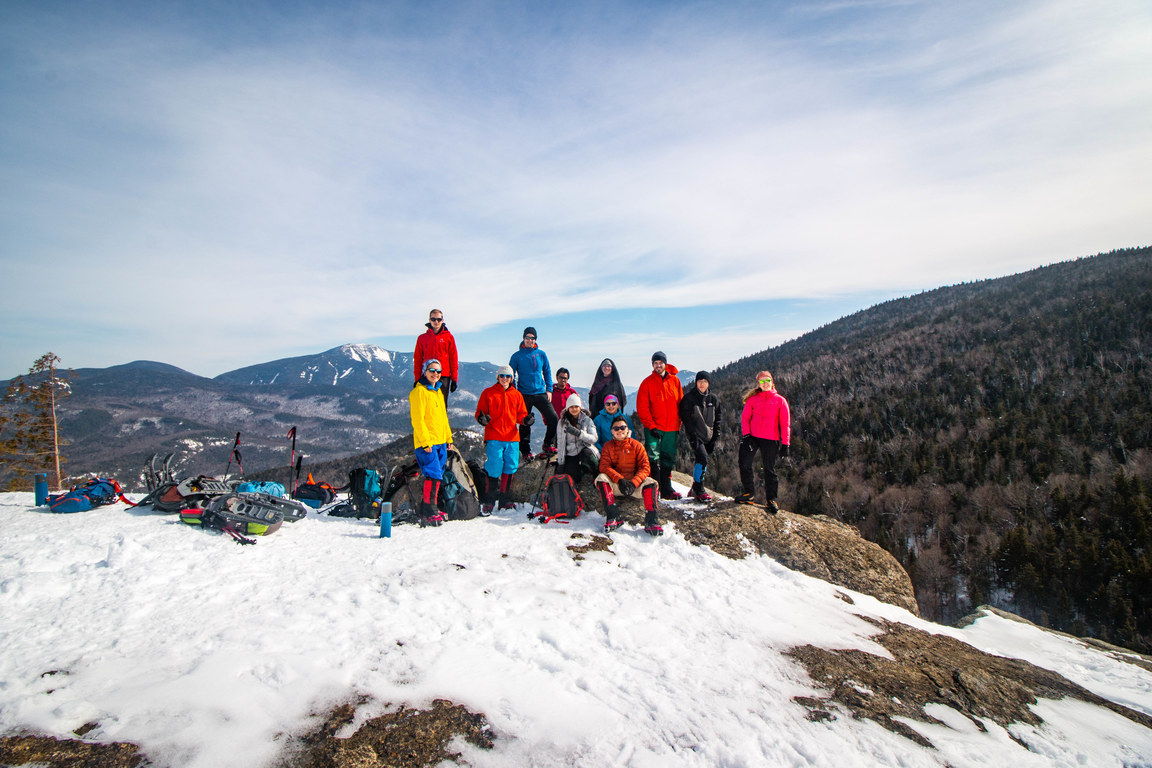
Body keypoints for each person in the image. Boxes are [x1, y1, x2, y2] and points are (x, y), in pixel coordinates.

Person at [475, 365, 531, 513]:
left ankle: (504, 500)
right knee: (494, 466)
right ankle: (490, 500)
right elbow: (480, 412)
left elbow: (521, 415)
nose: (504, 379)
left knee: (510, 467)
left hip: (512, 437)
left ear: (512, 378)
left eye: (507, 376)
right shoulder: (488, 393)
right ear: (497, 377)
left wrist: (526, 420)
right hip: (494, 436)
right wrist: (482, 419)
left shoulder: (517, 395)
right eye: (502, 376)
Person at [595, 415, 662, 535]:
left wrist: (634, 482)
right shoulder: (608, 446)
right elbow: (604, 466)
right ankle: (613, 516)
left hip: (635, 486)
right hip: (616, 485)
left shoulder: (637, 446)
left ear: (627, 430)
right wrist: (620, 480)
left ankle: (652, 521)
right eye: (616, 428)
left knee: (650, 483)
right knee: (601, 478)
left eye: (622, 427)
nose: (619, 430)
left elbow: (645, 467)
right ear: (612, 431)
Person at [737, 370, 791, 511]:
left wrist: (785, 443)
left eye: (767, 381)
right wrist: (747, 435)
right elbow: (745, 418)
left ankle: (771, 500)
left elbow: (785, 424)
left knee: (769, 469)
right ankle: (749, 494)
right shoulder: (753, 399)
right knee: (744, 462)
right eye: (762, 381)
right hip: (753, 437)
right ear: (758, 384)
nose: (765, 384)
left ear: (772, 382)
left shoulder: (780, 400)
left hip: (771, 438)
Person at [408, 358, 453, 526]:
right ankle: (428, 510)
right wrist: (425, 442)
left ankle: (432, 506)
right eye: (432, 370)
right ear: (424, 371)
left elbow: (443, 418)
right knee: (432, 474)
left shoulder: (438, 391)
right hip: (427, 443)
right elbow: (417, 420)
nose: (435, 374)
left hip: (440, 440)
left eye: (438, 372)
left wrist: (448, 437)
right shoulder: (419, 392)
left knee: (437, 475)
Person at [636, 351, 684, 500]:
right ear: (653, 365)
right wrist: (651, 425)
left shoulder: (675, 381)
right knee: (652, 457)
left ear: (665, 363)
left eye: (660, 362)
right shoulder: (647, 382)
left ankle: (667, 488)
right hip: (653, 428)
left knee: (668, 458)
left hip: (671, 427)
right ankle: (654, 487)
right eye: (655, 363)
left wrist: (679, 423)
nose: (658, 365)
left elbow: (680, 403)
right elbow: (642, 407)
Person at [509, 326, 558, 459]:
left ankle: (547, 444)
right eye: (527, 338)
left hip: (540, 392)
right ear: (523, 339)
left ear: (535, 339)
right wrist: (514, 393)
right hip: (524, 394)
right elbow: (510, 375)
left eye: (532, 338)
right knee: (525, 422)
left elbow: (547, 371)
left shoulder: (541, 354)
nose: (530, 340)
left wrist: (549, 390)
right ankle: (525, 451)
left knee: (554, 418)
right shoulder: (516, 356)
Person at [679, 371, 721, 501]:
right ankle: (698, 488)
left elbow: (718, 419)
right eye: (699, 381)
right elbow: (686, 419)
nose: (702, 384)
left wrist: (715, 437)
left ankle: (695, 488)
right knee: (703, 458)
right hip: (695, 435)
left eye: (704, 381)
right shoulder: (689, 398)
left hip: (709, 435)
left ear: (708, 383)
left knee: (702, 460)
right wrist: (692, 436)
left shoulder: (713, 399)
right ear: (696, 382)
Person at [413, 309, 459, 406]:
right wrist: (417, 378)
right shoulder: (422, 338)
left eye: (439, 319)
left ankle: (442, 422)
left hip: (443, 376)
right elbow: (418, 359)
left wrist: (454, 379)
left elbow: (453, 358)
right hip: (427, 375)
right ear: (429, 320)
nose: (436, 322)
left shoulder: (448, 337)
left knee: (441, 405)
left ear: (442, 320)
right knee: (427, 404)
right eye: (433, 319)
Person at [555, 394, 599, 483]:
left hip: (584, 448)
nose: (574, 409)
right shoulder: (562, 422)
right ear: (568, 408)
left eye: (576, 406)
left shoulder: (587, 420)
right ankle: (584, 469)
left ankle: (596, 475)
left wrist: (580, 434)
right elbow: (561, 442)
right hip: (571, 452)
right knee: (575, 477)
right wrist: (561, 462)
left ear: (580, 407)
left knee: (591, 459)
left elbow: (594, 438)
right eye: (571, 407)